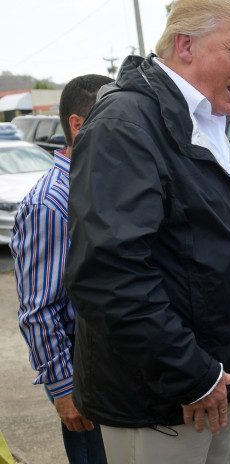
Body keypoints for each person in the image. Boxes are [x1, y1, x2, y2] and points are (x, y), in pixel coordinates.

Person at [63, 0, 230, 463]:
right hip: (163, 400)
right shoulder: (126, 123)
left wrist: (215, 375)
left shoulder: (205, 119)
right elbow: (108, 275)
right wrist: (191, 374)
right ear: (185, 46)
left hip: (214, 386)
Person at [11, 74, 112, 464]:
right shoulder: (49, 204)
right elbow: (39, 308)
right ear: (78, 125)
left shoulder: (98, 185)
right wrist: (64, 390)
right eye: (113, 117)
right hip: (85, 383)